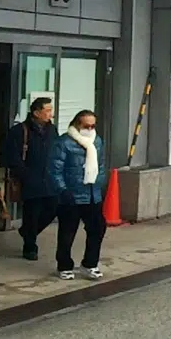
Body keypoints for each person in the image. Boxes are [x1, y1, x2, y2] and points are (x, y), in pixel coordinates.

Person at [49, 110, 107, 281]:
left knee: (97, 228)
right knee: (67, 232)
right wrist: (63, 190)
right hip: (71, 194)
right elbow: (54, 169)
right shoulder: (63, 143)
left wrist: (100, 185)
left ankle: (90, 263)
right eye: (86, 126)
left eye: (93, 126)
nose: (90, 129)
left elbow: (101, 165)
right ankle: (64, 265)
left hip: (92, 194)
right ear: (77, 124)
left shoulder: (97, 141)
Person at [4, 97, 60, 260]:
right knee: (32, 214)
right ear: (36, 112)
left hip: (49, 178)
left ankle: (27, 231)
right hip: (30, 179)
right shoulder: (19, 130)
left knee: (53, 209)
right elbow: (12, 156)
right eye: (47, 110)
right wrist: (26, 175)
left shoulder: (52, 130)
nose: (51, 114)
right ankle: (30, 247)